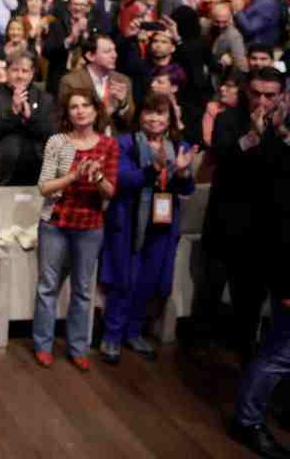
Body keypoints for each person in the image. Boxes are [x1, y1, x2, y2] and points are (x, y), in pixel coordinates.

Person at [193, 67, 285, 364]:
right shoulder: (228, 118)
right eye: (256, 93)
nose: (262, 100)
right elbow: (222, 157)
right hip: (225, 222)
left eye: (270, 95)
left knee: (250, 299)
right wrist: (252, 136)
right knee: (210, 290)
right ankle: (198, 348)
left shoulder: (284, 126)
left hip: (262, 229)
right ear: (246, 91)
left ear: (281, 95)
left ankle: (244, 348)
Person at [99, 93, 197, 365]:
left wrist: (182, 173)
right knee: (123, 280)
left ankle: (133, 332)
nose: (154, 119)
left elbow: (186, 189)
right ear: (140, 116)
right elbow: (122, 178)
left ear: (169, 119)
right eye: (149, 113)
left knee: (148, 280)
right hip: (129, 219)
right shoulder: (124, 143)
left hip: (163, 222)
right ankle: (112, 336)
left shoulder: (178, 145)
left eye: (161, 114)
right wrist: (153, 171)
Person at [34, 86, 118, 370]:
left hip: (90, 225)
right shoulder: (58, 142)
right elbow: (44, 187)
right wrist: (72, 175)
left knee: (83, 289)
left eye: (85, 105)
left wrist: (96, 178)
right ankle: (42, 345)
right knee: (48, 287)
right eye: (74, 106)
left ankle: (78, 347)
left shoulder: (108, 145)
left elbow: (110, 192)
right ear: (68, 113)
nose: (80, 110)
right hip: (56, 223)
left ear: (96, 110)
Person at [227, 84, 290, 458]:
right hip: (284, 269)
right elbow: (282, 228)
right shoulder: (279, 158)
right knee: (279, 352)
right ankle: (247, 420)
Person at [0, 50, 57, 185]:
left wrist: (30, 117)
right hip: (1, 171)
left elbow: (51, 134)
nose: (20, 75)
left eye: (25, 71)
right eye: (15, 70)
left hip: (37, 171)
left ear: (32, 73)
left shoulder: (45, 98)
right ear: (7, 71)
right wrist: (13, 113)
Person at [59, 33, 135, 133]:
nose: (114, 55)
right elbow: (65, 121)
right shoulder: (71, 82)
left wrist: (123, 105)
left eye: (114, 50)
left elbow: (130, 121)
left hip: (116, 142)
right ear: (90, 56)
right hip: (83, 141)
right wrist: (107, 111)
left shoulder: (122, 80)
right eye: (107, 51)